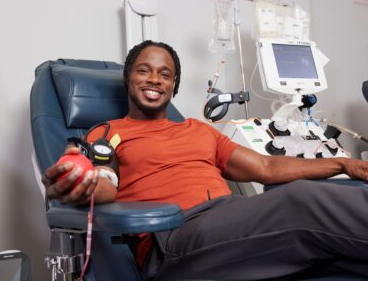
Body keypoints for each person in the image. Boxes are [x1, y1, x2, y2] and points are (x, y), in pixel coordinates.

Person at [42, 40, 368, 280]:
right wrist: (81, 182)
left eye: (165, 74)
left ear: (174, 86)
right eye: (144, 71)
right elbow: (104, 180)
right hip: (174, 241)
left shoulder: (200, 131)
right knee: (300, 200)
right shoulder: (109, 131)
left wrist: (344, 166)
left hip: (226, 224)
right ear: (129, 78)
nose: (155, 79)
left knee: (343, 261)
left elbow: (266, 167)